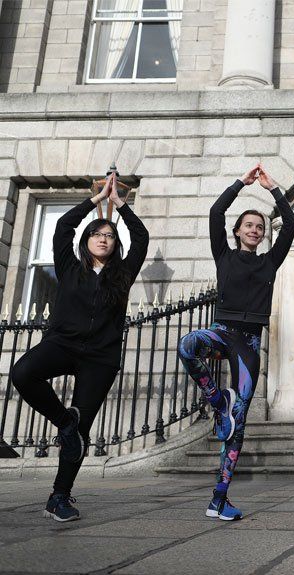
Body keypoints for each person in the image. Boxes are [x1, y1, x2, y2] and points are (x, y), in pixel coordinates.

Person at [11, 174, 149, 522]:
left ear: (115, 245)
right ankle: (63, 420)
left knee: (81, 431)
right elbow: (62, 226)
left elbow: (142, 237)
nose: (104, 239)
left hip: (101, 356)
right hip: (63, 342)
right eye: (98, 234)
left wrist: (119, 203)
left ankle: (59, 496)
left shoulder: (123, 274)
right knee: (23, 373)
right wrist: (95, 199)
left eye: (109, 236)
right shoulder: (69, 266)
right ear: (87, 240)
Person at [178, 164, 294, 521]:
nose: (255, 230)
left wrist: (274, 188)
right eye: (249, 225)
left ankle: (219, 498)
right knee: (187, 345)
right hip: (221, 333)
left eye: (260, 227)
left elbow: (289, 224)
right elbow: (216, 211)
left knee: (239, 424)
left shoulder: (270, 263)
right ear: (237, 231)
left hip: (249, 343)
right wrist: (240, 185)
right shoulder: (223, 255)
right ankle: (217, 400)